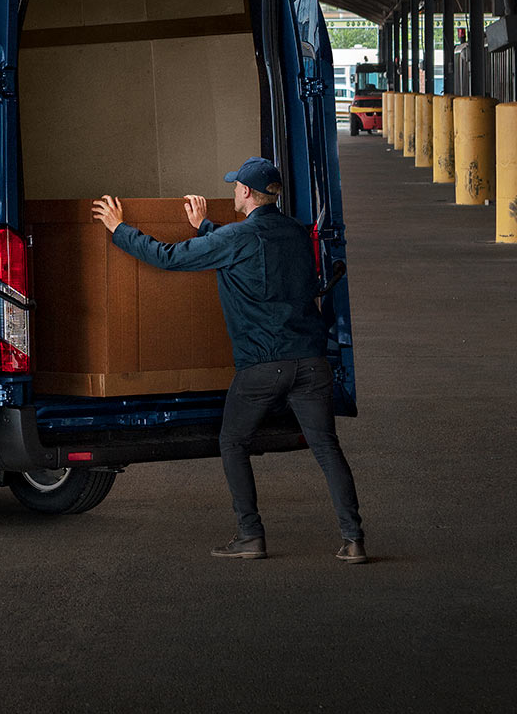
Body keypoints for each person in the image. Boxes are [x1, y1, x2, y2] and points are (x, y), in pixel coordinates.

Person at [91, 158, 366, 563]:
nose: (233, 190)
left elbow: (168, 257)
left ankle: (250, 535)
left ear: (244, 193)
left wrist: (119, 230)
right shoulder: (296, 233)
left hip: (263, 367)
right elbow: (255, 251)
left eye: (236, 186)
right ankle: (354, 539)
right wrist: (205, 227)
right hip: (311, 363)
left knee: (233, 441)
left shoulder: (237, 238)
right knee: (327, 447)